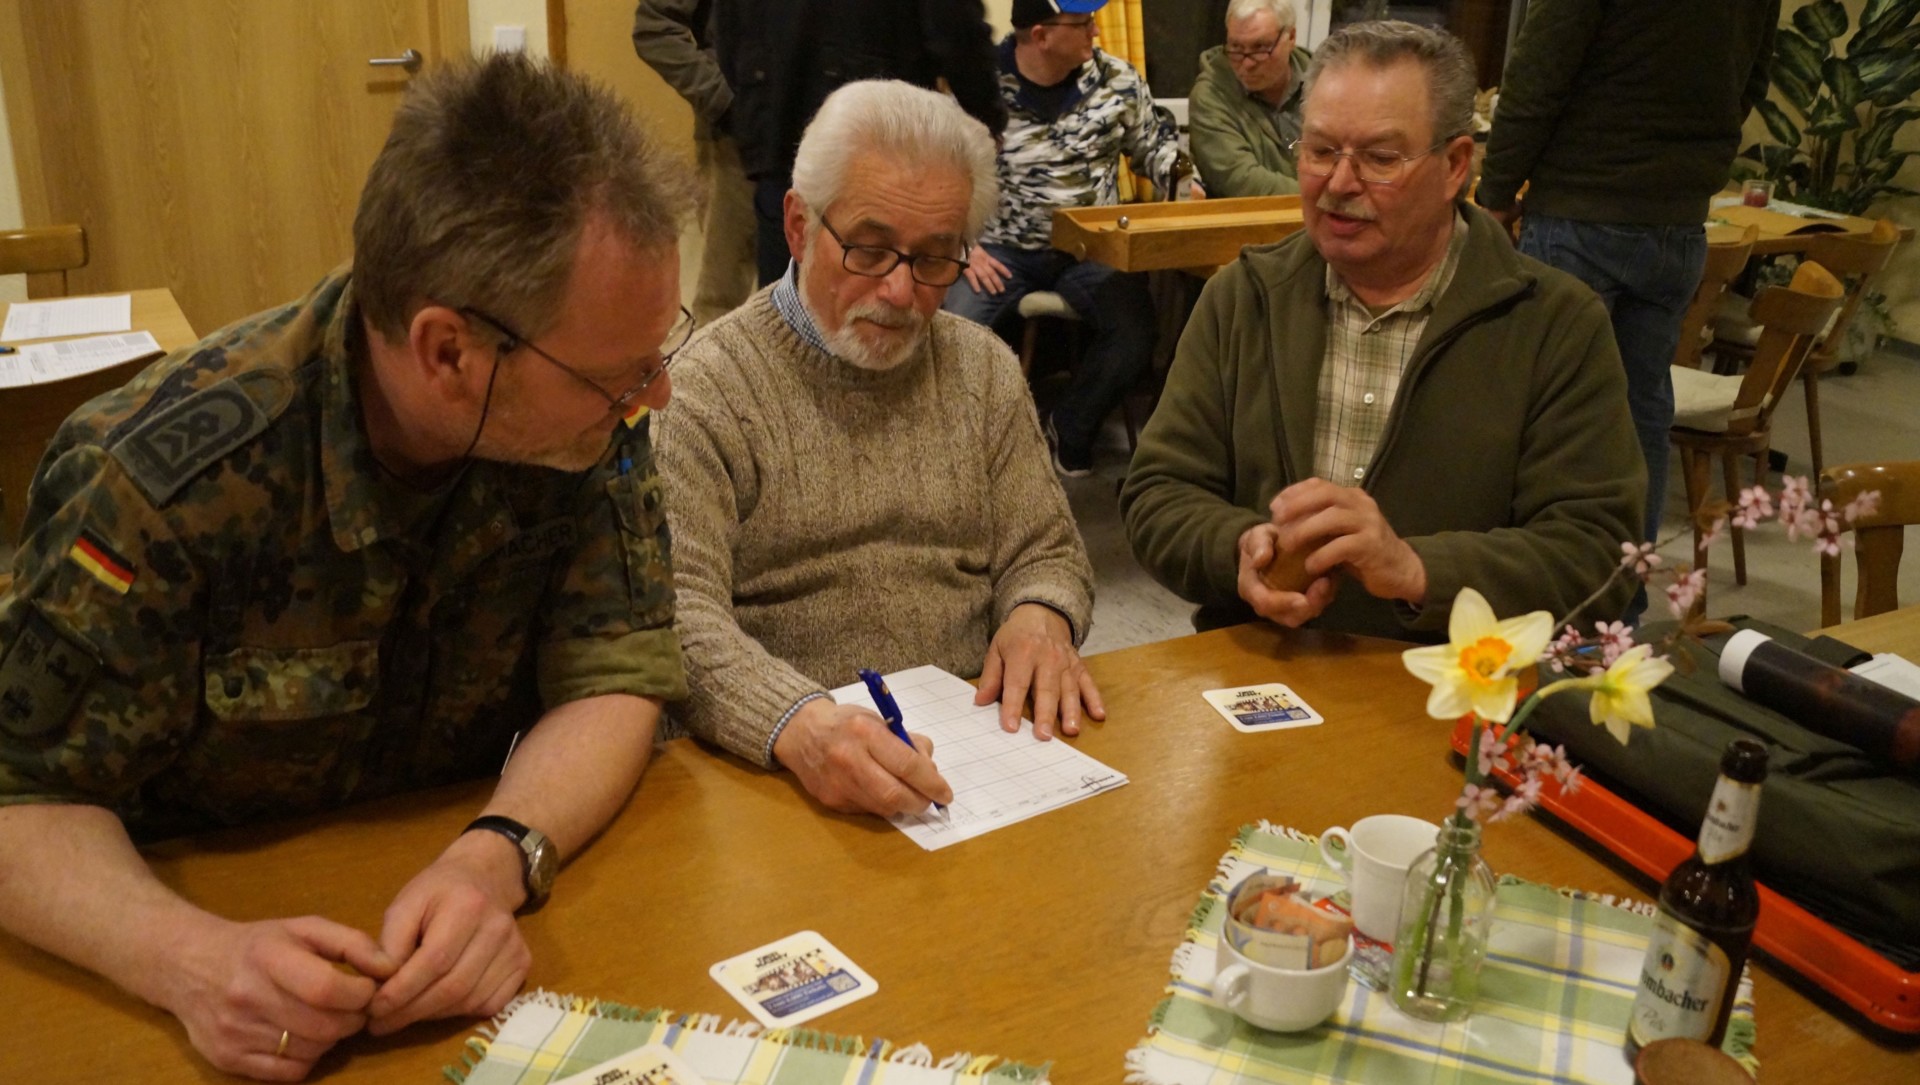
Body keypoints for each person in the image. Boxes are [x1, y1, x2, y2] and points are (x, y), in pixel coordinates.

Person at [0, 55, 697, 1080]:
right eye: (619, 374)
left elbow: (618, 672)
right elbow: (20, 792)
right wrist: (186, 958)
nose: (660, 395)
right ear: (447, 351)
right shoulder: (157, 480)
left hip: (458, 983)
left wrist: (498, 851)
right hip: (199, 989)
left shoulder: (579, 423)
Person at [656, 80, 1100, 818]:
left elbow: (1047, 551)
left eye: (934, 259)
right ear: (798, 227)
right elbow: (678, 619)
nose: (900, 291)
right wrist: (794, 723)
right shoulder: (706, 391)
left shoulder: (982, 369)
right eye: (868, 249)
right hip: (781, 777)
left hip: (978, 758)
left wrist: (1040, 615)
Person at [1120, 21, 1643, 641]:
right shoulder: (1242, 298)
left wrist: (1417, 569)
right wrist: (1241, 550)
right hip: (1259, 667)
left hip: (1455, 684)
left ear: (1454, 166)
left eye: (1380, 158)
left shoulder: (1555, 324)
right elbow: (1158, 491)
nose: (1340, 184)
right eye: (1319, 151)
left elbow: (1599, 550)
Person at [1475, 0, 1779, 562]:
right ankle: (1621, 597)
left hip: (1582, 206)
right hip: (1678, 222)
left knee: (1543, 413)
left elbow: (1538, 76)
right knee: (1642, 411)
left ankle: (1546, 595)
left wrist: (1494, 192)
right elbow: (1752, 79)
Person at [944, 0, 1190, 477]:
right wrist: (961, 249)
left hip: (1091, 247)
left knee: (1134, 333)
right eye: (1082, 24)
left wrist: (1181, 180)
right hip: (1001, 247)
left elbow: (1154, 150)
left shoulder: (1117, 80)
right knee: (950, 329)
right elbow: (943, 174)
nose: (1096, 31)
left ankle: (1069, 427)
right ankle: (968, 453)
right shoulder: (980, 88)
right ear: (1040, 35)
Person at [712, 0, 1006, 287]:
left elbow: (728, 37)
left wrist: (751, 113)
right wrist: (987, 117)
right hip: (885, 143)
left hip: (781, 128)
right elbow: (959, 37)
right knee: (887, 291)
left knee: (789, 295)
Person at [633, 0, 758, 324]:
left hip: (831, 127)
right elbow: (655, 27)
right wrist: (726, 100)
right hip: (735, 144)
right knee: (721, 303)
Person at [1188, 0, 1313, 198]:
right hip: (1251, 223)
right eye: (1236, 48)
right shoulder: (1210, 95)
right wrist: (1323, 198)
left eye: (1260, 48)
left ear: (1291, 37)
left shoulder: (1326, 83)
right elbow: (1242, 182)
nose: (1246, 64)